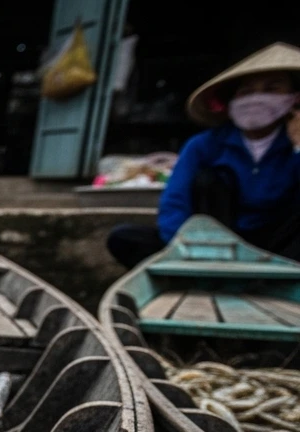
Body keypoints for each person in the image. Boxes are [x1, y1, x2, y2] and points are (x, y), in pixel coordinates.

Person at [107, 43, 300, 268]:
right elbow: (175, 203)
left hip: (278, 248)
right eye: (246, 91)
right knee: (124, 237)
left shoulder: (293, 144)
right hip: (211, 248)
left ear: (294, 98)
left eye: (271, 89)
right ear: (231, 103)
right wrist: (182, 248)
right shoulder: (205, 145)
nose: (257, 98)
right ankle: (206, 269)